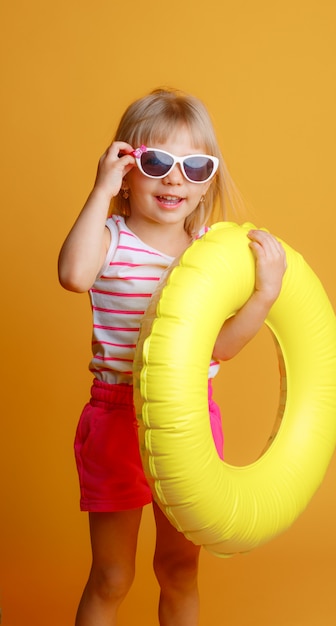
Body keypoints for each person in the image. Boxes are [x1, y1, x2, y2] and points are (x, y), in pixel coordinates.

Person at [58, 87, 287, 626]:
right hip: (118, 418)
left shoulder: (211, 254)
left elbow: (220, 348)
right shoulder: (110, 239)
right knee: (112, 575)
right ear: (127, 170)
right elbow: (73, 275)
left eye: (195, 165)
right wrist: (99, 191)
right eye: (157, 161)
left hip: (189, 420)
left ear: (210, 178)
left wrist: (264, 296)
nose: (174, 178)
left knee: (180, 570)